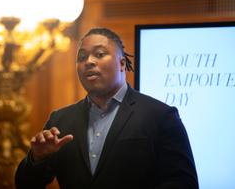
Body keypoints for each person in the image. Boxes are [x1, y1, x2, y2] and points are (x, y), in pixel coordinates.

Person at [15, 27, 198, 189]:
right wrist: (37, 159)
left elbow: (184, 184)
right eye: (82, 57)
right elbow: (25, 184)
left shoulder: (160, 116)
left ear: (122, 63)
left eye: (100, 54)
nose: (89, 61)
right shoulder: (60, 120)